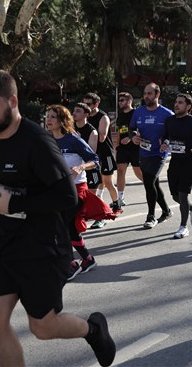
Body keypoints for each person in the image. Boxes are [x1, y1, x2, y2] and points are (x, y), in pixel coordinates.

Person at [0, 70, 115, 367]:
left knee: (43, 327)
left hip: (42, 245)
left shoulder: (38, 142)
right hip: (3, 243)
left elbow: (67, 197)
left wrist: (15, 204)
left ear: (12, 101)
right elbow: (0, 188)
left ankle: (93, 330)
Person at [46, 105, 119, 280]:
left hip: (76, 190)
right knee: (70, 228)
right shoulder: (48, 140)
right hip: (58, 191)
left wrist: (80, 167)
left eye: (53, 117)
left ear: (62, 120)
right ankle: (88, 259)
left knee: (61, 227)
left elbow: (94, 160)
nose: (48, 120)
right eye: (47, 116)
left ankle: (71, 265)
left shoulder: (73, 139)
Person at [161, 94, 192, 238]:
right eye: (176, 102)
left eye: (180, 103)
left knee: (183, 195)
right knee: (175, 196)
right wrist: (165, 143)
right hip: (174, 162)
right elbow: (165, 136)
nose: (176, 105)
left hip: (189, 163)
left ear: (188, 106)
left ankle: (183, 227)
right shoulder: (169, 120)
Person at [130, 82, 174, 229]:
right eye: (144, 93)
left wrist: (166, 141)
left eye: (149, 93)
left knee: (149, 182)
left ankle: (151, 216)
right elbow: (132, 128)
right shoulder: (138, 112)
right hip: (143, 153)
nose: (146, 96)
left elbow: (174, 132)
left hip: (159, 153)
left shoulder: (167, 114)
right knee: (153, 184)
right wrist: (133, 136)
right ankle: (167, 211)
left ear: (157, 94)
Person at [84, 93, 121, 227]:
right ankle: (98, 212)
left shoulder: (103, 117)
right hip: (92, 156)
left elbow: (101, 137)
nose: (86, 107)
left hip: (105, 154)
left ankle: (116, 205)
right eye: (84, 104)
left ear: (96, 104)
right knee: (95, 184)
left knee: (107, 182)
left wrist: (86, 128)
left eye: (88, 104)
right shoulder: (84, 117)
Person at [115, 92, 143, 206]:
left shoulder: (136, 113)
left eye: (122, 100)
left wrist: (131, 138)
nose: (120, 102)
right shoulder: (120, 115)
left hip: (135, 147)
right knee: (120, 171)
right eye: (119, 100)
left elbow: (142, 129)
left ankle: (152, 188)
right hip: (122, 148)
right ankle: (120, 198)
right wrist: (116, 146)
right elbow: (119, 131)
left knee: (138, 172)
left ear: (129, 101)